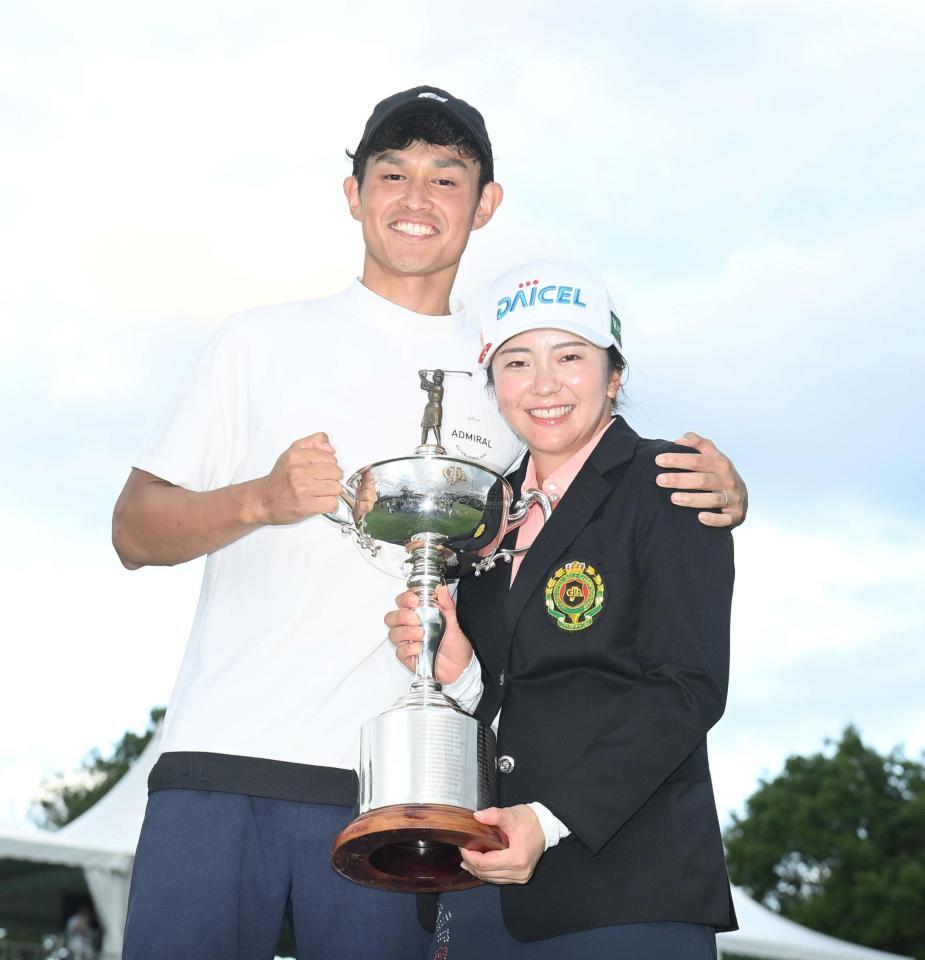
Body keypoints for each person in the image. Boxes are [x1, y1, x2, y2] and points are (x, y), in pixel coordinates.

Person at [112, 86, 746, 960]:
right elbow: (133, 532)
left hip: (418, 788)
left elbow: (595, 509)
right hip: (224, 760)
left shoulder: (508, 367)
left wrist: (720, 490)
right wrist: (258, 499)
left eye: (445, 178)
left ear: (485, 203)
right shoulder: (257, 342)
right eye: (392, 173)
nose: (416, 198)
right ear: (353, 193)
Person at [386, 260, 737, 958]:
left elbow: (685, 688)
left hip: (625, 891)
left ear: (614, 375)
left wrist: (547, 822)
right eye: (517, 362)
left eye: (570, 356)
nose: (543, 385)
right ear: (493, 384)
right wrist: (463, 676)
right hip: (480, 883)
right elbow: (514, 698)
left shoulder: (672, 483)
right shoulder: (481, 516)